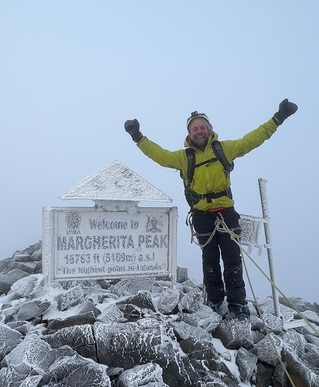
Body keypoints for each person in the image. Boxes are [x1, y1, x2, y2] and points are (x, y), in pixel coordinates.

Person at [124, 99, 298, 320]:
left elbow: (254, 139)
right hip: (201, 216)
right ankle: (215, 301)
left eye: (202, 127)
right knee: (210, 260)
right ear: (189, 133)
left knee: (233, 259)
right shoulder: (183, 157)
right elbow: (158, 155)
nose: (199, 131)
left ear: (210, 130)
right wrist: (137, 137)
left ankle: (238, 303)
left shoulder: (224, 149)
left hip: (226, 212)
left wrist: (279, 117)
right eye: (195, 128)